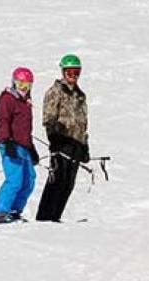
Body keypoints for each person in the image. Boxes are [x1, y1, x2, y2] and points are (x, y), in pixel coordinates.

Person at [36, 54, 90, 222]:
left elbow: (83, 122)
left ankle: (56, 216)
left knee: (69, 182)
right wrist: (54, 137)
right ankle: (44, 217)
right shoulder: (55, 91)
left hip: (76, 143)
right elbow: (48, 118)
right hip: (61, 141)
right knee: (57, 179)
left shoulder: (80, 95)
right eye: (70, 73)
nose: (73, 76)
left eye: (76, 73)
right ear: (63, 72)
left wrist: (84, 145)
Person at [0, 67, 40, 224]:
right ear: (13, 83)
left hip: (23, 145)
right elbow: (3, 120)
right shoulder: (7, 98)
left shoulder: (26, 103)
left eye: (27, 85)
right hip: (10, 144)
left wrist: (31, 148)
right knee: (15, 179)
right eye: (20, 84)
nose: (23, 88)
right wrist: (6, 140)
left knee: (29, 180)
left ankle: (14, 210)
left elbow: (26, 130)